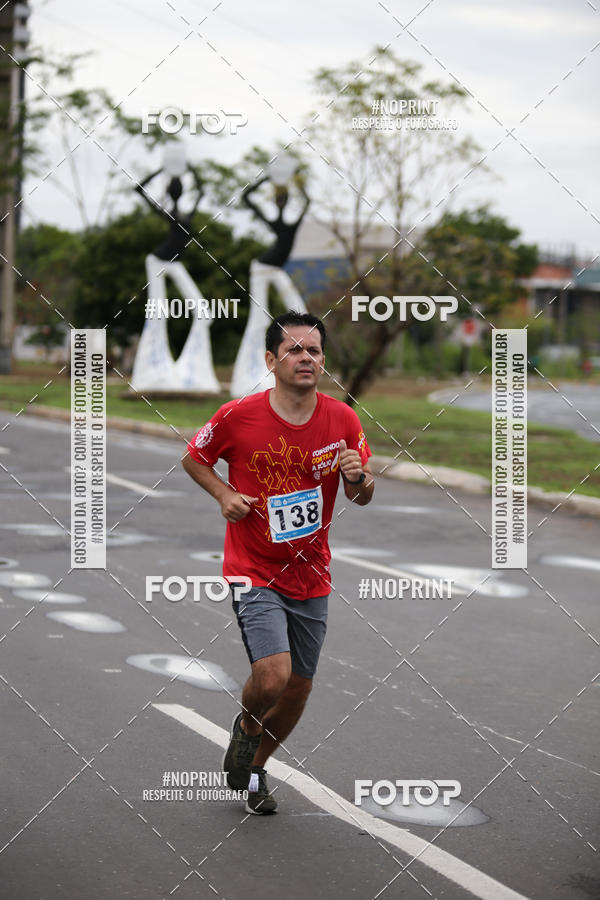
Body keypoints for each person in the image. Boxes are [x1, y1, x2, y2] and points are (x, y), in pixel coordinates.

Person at [183, 311, 374, 814]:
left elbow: (362, 497)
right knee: (272, 677)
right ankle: (246, 728)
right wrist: (224, 494)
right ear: (271, 360)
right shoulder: (237, 415)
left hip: (311, 572)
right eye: (293, 350)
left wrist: (357, 478)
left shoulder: (343, 420)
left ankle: (256, 767)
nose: (305, 358)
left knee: (298, 688)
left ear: (323, 360)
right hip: (253, 567)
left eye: (313, 350)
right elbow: (194, 458)